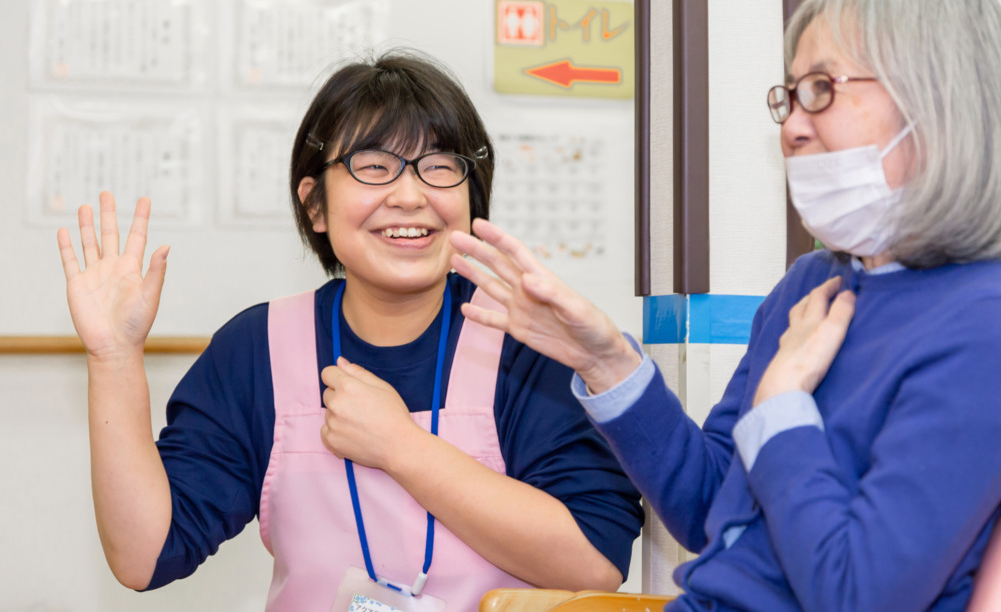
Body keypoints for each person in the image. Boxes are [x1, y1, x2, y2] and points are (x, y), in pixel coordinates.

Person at [449, 0, 1001, 611]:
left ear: (938, 101)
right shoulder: (814, 283)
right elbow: (711, 508)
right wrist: (605, 363)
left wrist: (781, 407)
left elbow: (858, 593)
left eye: (821, 89)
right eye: (790, 96)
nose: (792, 127)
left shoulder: (987, 327)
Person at [56, 52, 643, 612]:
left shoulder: (526, 341)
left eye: (440, 167)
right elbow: (144, 555)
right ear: (314, 205)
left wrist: (401, 446)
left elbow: (593, 563)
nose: (410, 196)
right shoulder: (259, 348)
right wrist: (113, 357)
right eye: (374, 166)